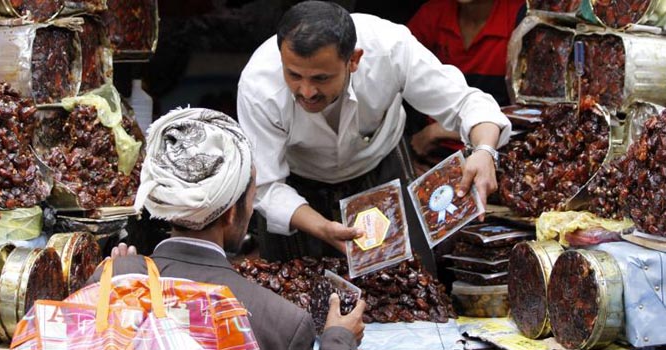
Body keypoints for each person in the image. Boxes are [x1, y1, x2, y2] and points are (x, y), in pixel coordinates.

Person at [237, 1, 511, 265]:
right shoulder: (259, 84)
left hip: (380, 165)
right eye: (294, 75)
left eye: (321, 78)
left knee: (411, 280)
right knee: (295, 297)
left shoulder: (390, 48)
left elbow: (465, 103)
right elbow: (267, 186)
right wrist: (321, 227)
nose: (306, 91)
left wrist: (484, 151)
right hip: (298, 184)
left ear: (354, 60)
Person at [88, 107, 365, 350]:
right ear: (232, 213)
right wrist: (337, 339)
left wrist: (115, 278)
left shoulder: (115, 280)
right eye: (252, 195)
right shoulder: (282, 322)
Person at [407, 0, 526, 161]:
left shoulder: (521, 17)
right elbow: (394, 84)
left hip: (498, 150)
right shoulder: (434, 13)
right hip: (431, 155)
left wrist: (438, 131)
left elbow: (533, 114)